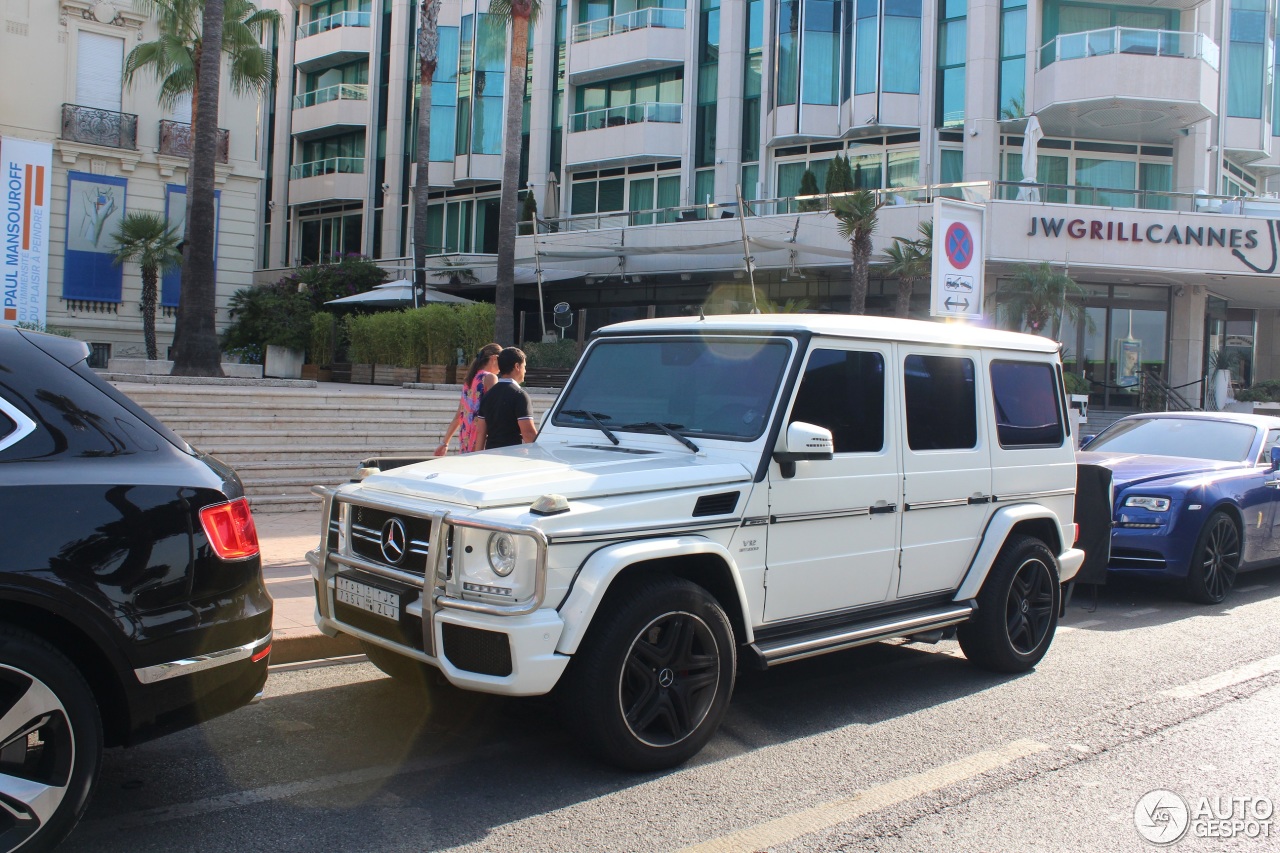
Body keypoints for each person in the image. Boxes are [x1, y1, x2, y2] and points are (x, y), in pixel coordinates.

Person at [435, 343, 501, 456]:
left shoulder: (469, 380)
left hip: (466, 437)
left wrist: (444, 443)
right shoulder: (490, 378)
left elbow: (458, 416)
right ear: (494, 358)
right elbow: (493, 411)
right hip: (481, 437)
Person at [473, 347, 537, 450]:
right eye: (524, 366)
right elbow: (528, 434)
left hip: (491, 455)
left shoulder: (488, 396)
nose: (525, 371)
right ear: (517, 366)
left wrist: (477, 458)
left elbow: (481, 433)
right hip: (511, 456)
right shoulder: (520, 395)